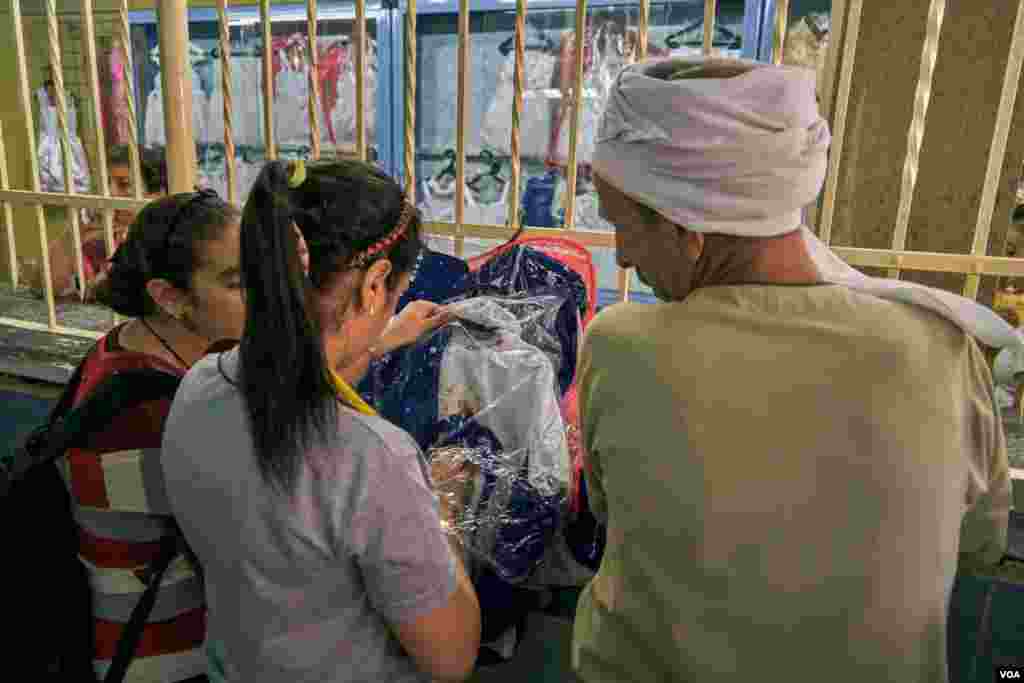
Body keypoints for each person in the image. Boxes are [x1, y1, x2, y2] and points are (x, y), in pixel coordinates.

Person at [572, 57, 1015, 682]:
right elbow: (981, 544)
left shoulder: (623, 346)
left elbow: (610, 511)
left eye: (622, 227)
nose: (619, 254)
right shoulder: (938, 349)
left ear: (685, 232)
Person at [160, 159, 482, 683]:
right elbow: (452, 658)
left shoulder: (197, 389)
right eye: (393, 292)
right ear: (374, 283)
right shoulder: (374, 459)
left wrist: (376, 340)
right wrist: (442, 507)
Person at [66, 189, 242, 682]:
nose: (262, 294)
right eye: (237, 282)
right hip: (164, 655)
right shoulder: (156, 409)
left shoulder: (121, 350)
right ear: (169, 297)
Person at [28, 145, 168, 298]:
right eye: (106, 184)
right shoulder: (100, 238)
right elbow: (41, 287)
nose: (110, 193)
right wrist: (72, 235)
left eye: (124, 184)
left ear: (156, 195)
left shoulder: (171, 236)